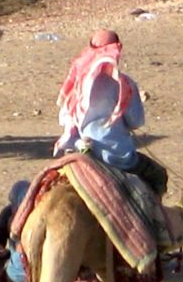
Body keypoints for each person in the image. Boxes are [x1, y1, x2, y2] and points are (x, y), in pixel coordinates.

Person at [54, 28, 166, 198]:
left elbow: (64, 117)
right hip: (116, 156)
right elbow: (136, 121)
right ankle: (153, 222)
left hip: (79, 151)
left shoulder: (76, 84)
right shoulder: (123, 84)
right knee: (158, 175)